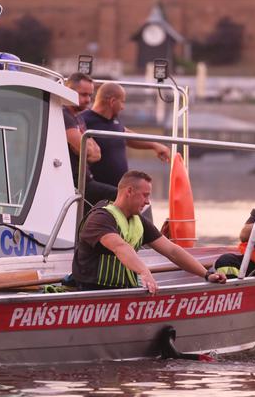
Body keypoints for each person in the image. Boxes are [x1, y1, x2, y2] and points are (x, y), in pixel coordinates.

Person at [72, 170, 226, 294]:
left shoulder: (138, 220)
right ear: (129, 191)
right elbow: (120, 247)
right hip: (93, 291)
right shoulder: (100, 218)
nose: (147, 201)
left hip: (124, 292)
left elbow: (172, 250)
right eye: (145, 195)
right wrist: (144, 272)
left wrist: (206, 274)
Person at [81, 82, 171, 187]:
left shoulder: (113, 120)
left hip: (118, 191)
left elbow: (126, 134)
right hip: (97, 190)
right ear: (112, 101)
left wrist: (154, 145)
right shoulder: (84, 120)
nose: (123, 107)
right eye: (122, 102)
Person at [63, 72, 118, 209]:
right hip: (76, 184)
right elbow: (87, 151)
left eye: (90, 95)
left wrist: (85, 148)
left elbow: (97, 154)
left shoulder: (78, 117)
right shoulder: (64, 115)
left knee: (129, 197)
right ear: (68, 91)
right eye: (83, 94)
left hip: (87, 181)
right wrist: (86, 148)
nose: (88, 100)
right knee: (121, 196)